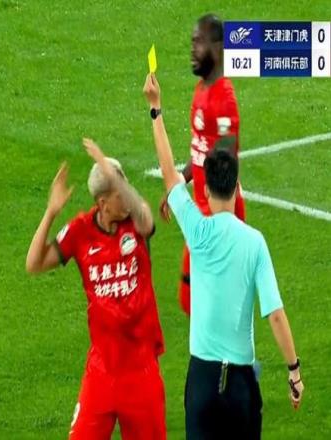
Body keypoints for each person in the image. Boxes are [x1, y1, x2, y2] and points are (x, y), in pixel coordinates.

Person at [143, 72, 304, 439]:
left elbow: (169, 175)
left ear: (206, 188)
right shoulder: (255, 243)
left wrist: (156, 110)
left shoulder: (197, 233)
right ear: (237, 186)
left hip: (202, 380)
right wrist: (293, 370)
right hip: (241, 384)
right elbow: (275, 314)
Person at [26, 138, 166, 439]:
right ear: (102, 204)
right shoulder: (80, 231)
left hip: (141, 370)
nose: (126, 197)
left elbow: (144, 217)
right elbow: (34, 264)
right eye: (118, 194)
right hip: (102, 371)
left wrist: (108, 167)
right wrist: (51, 213)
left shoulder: (137, 221)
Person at [161, 14, 246, 315]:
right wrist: (179, 184)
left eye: (199, 42)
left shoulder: (224, 99)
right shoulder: (201, 90)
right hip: (200, 213)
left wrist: (214, 224)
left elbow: (225, 162)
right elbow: (201, 151)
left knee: (209, 305)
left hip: (218, 217)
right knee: (190, 301)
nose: (192, 49)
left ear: (218, 48)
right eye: (192, 41)